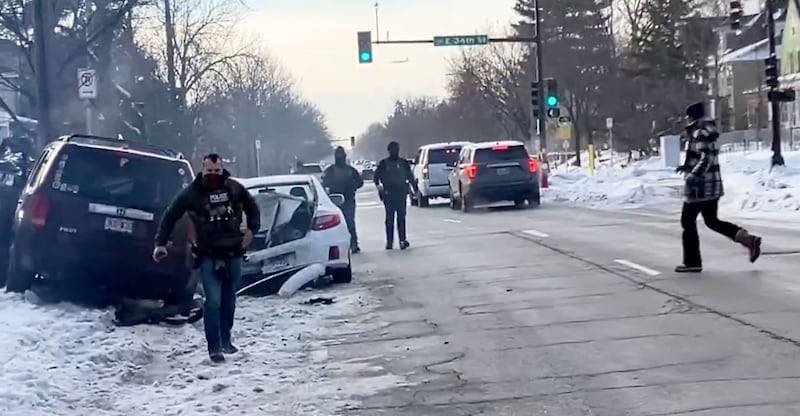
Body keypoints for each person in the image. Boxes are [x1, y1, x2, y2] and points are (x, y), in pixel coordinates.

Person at [153, 153, 260, 363]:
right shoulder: (191, 193)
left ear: (222, 169)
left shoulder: (234, 188)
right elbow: (170, 216)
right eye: (209, 171)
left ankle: (226, 340)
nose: (213, 175)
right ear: (202, 170)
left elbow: (252, 207)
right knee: (213, 301)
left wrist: (251, 230)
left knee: (229, 299)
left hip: (233, 251)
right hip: (208, 254)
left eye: (216, 171)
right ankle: (215, 348)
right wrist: (160, 244)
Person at [674, 102, 761, 273]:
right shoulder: (707, 130)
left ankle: (692, 262)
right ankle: (747, 240)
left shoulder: (699, 132)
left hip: (700, 187)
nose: (686, 120)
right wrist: (687, 166)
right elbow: (703, 155)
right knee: (712, 221)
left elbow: (706, 158)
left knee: (687, 222)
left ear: (692, 117)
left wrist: (694, 175)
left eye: (688, 117)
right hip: (711, 185)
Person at [373, 141, 418, 250]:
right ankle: (393, 241)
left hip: (398, 193)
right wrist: (380, 188)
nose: (394, 151)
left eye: (395, 149)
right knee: (393, 218)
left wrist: (415, 189)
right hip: (391, 193)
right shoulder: (386, 163)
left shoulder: (402, 163)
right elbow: (376, 178)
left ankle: (398, 241)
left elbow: (410, 177)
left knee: (397, 218)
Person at [323, 146, 364, 253]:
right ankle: (337, 245)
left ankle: (353, 244)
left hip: (348, 199)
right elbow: (324, 183)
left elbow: (360, 182)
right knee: (335, 224)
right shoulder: (330, 170)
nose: (340, 157)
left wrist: (352, 185)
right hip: (334, 200)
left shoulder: (350, 170)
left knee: (349, 222)